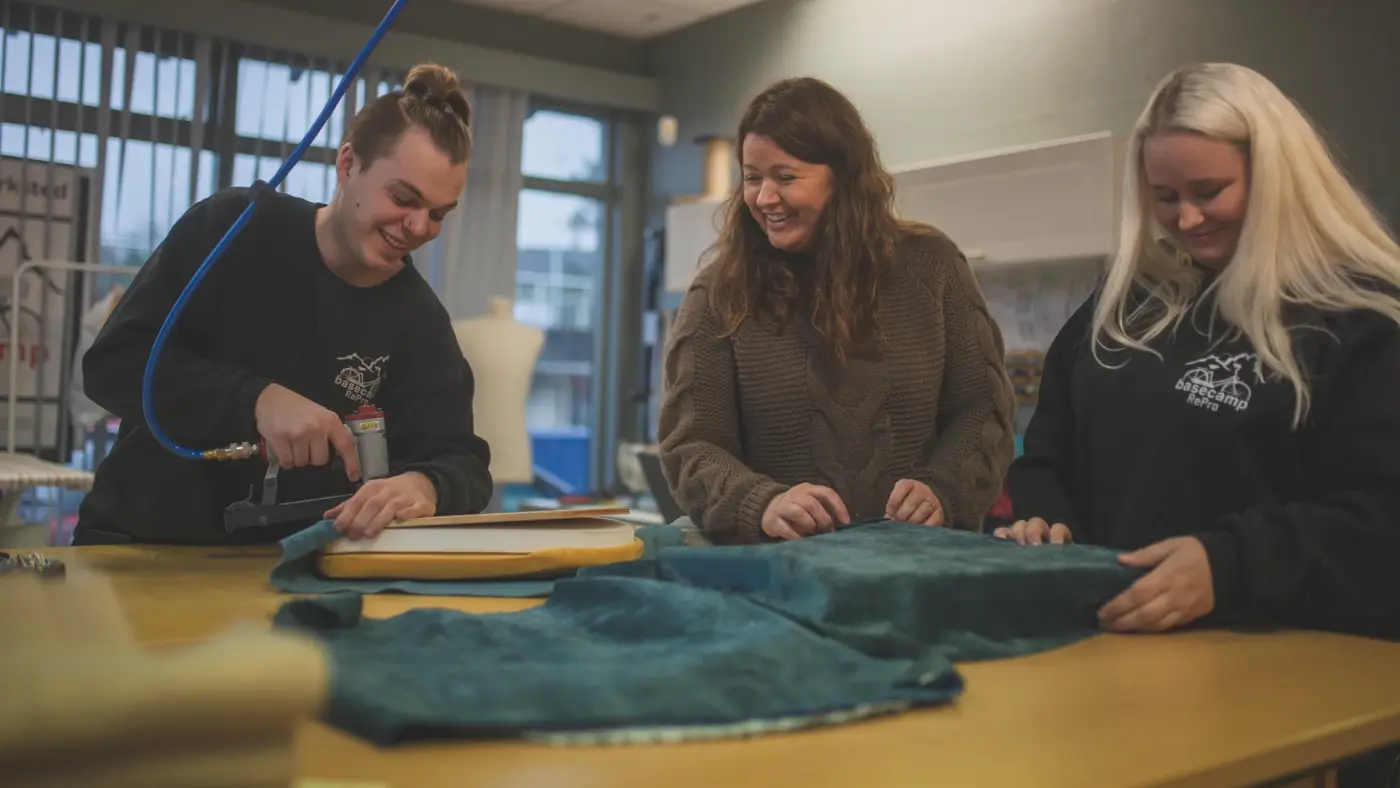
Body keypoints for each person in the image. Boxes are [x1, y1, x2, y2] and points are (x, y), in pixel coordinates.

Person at [1001, 63, 1400, 643]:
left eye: (1209, 192)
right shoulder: (1124, 305)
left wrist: (1228, 567)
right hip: (1118, 642)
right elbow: (1049, 454)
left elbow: (1383, 520)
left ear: (1275, 176)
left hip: (1295, 654)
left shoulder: (1362, 316)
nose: (1187, 219)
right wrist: (1043, 516)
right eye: (1165, 197)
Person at [73, 63, 493, 546]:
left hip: (293, 564)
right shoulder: (231, 231)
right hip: (141, 544)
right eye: (403, 198)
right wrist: (254, 400)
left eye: (438, 213)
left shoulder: (419, 321)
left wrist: (426, 485)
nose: (419, 227)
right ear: (348, 164)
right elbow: (114, 365)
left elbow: (462, 460)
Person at [658, 77, 1016, 545]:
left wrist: (944, 489)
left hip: (922, 562)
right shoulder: (720, 293)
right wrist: (760, 502)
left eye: (785, 177)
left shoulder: (934, 267)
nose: (764, 198)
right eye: (752, 177)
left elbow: (982, 409)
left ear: (842, 176)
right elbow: (692, 444)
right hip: (779, 570)